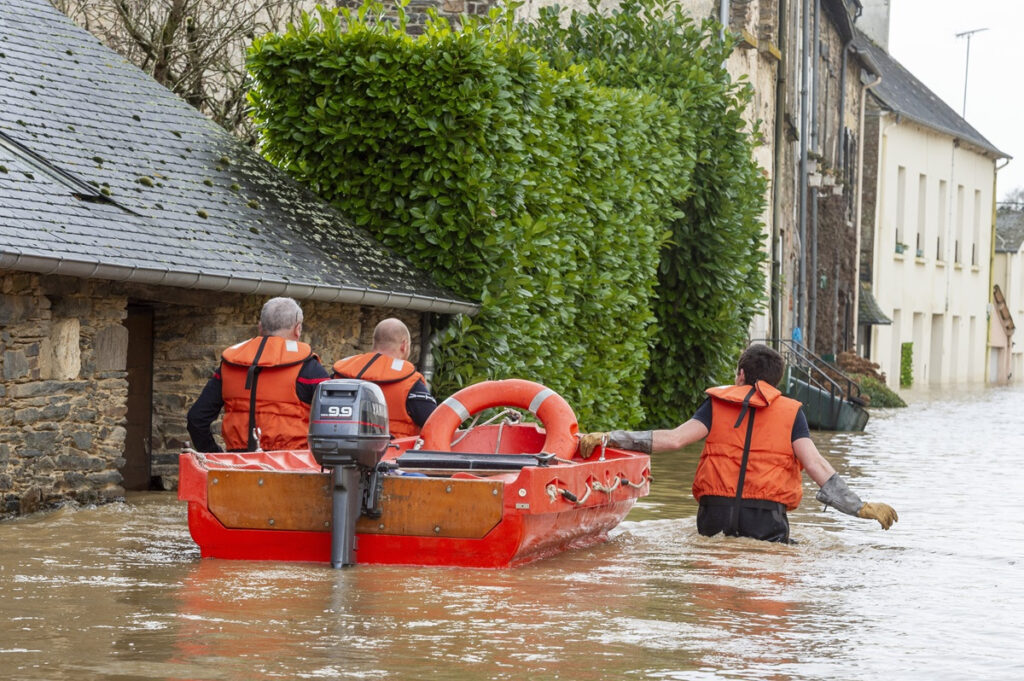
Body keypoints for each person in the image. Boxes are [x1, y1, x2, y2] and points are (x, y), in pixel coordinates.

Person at [578, 343, 897, 543]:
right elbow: (816, 465)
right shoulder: (791, 414)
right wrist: (859, 507)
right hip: (764, 519)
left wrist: (610, 437)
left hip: (714, 514)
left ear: (741, 374)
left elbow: (673, 440)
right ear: (776, 382)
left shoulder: (716, 405)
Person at [186, 297, 330, 452]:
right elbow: (334, 424)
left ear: (260, 327)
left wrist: (214, 455)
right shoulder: (309, 368)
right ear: (298, 329)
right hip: (292, 466)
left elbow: (196, 419)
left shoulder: (229, 364)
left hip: (238, 465)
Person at [332, 318, 437, 438]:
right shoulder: (410, 382)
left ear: (374, 342)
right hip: (393, 453)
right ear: (404, 345)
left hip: (340, 451)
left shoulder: (341, 372)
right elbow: (436, 423)